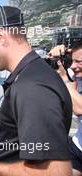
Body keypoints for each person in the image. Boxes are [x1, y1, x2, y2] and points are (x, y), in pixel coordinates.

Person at [0, 6, 73, 176]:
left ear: (0, 37)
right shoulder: (31, 74)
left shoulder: (31, 87)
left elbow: (56, 172)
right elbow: (13, 118)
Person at [48, 43, 82, 176]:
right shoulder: (77, 75)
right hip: (77, 145)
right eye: (72, 61)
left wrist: (65, 81)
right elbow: (57, 70)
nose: (73, 66)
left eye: (78, 61)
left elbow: (79, 109)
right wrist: (58, 53)